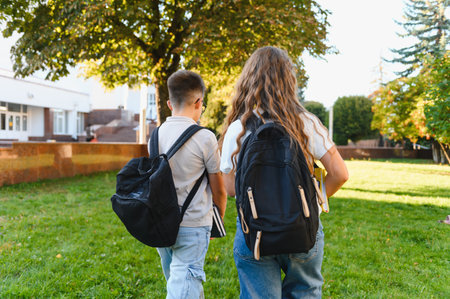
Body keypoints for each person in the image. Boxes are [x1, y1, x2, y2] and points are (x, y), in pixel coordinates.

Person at [219, 46, 349, 298]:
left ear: (248, 80)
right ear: (289, 81)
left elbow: (231, 188)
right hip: (302, 226)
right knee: (305, 291)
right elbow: (340, 173)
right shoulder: (306, 122)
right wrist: (314, 199)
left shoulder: (238, 129)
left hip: (254, 231)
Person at [149, 70, 227, 299]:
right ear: (199, 102)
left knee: (180, 283)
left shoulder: (155, 135)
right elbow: (219, 189)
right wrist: (217, 220)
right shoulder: (205, 137)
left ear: (169, 103)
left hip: (161, 224)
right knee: (184, 287)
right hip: (193, 224)